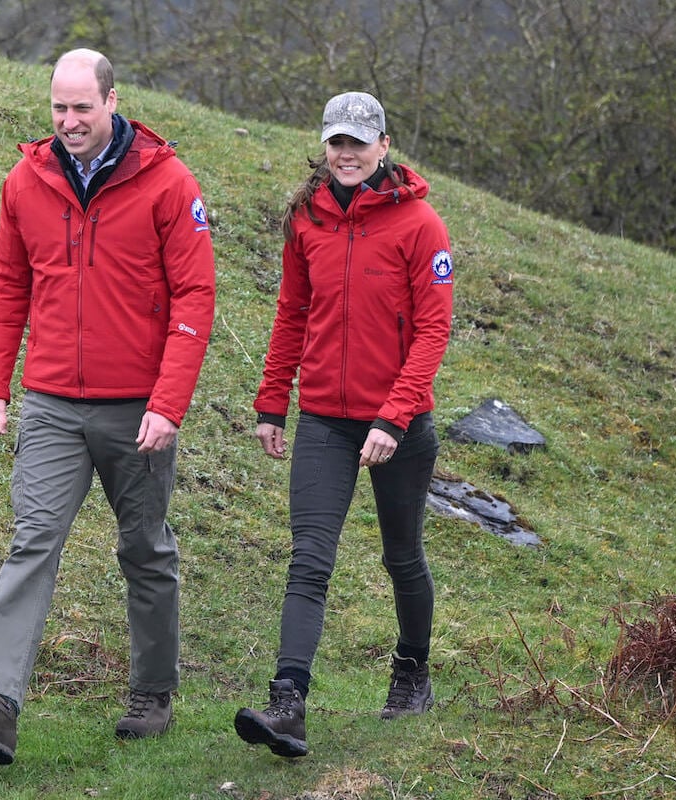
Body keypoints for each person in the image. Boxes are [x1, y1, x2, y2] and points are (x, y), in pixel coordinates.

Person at [0, 48, 216, 765]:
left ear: (112, 101)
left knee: (144, 549)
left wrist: (168, 403)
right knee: (33, 540)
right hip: (53, 403)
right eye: (58, 109)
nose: (69, 122)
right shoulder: (24, 182)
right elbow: (7, 285)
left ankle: (153, 693)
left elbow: (195, 298)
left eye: (82, 108)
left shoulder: (167, 183)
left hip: (138, 410)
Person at [233, 91, 453, 758]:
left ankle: (412, 671)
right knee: (309, 559)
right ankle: (288, 705)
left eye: (359, 142)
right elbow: (292, 312)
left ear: (384, 146)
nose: (347, 154)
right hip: (325, 418)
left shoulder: (421, 225)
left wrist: (394, 416)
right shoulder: (307, 219)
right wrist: (272, 401)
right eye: (337, 143)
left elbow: (433, 331)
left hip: (401, 426)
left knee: (401, 556)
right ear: (325, 148)